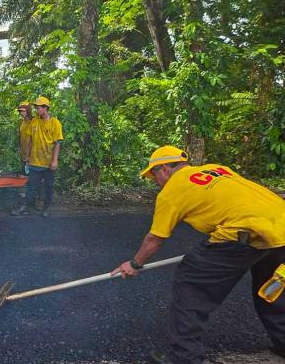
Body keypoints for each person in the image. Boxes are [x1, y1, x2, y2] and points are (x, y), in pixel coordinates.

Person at [110, 146, 285, 364]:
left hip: (243, 232)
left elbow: (155, 238)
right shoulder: (217, 169)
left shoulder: (172, 190)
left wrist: (134, 264)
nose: (155, 182)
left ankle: (183, 358)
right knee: (272, 290)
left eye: (153, 175)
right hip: (280, 229)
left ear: (163, 169)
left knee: (191, 283)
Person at [12, 96, 62, 217]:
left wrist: (54, 160)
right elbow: (29, 140)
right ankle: (26, 207)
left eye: (38, 108)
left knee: (48, 186)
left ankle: (46, 208)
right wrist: (27, 156)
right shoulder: (34, 122)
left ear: (45, 108)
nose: (36, 110)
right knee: (31, 187)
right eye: (35, 107)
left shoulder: (55, 123)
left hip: (48, 162)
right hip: (34, 161)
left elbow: (57, 143)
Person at [17, 100, 33, 174]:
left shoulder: (34, 122)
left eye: (23, 111)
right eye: (20, 111)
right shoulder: (22, 123)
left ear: (28, 111)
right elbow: (20, 138)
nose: (21, 113)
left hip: (33, 157)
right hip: (23, 156)